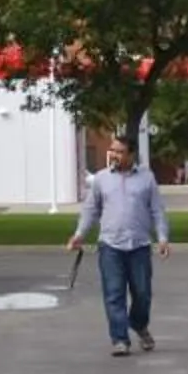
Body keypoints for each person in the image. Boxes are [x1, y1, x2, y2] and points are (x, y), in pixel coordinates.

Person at [69, 136, 170, 357]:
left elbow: (157, 210)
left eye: (119, 151)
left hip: (139, 245)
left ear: (131, 154)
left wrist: (162, 237)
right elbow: (90, 210)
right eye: (112, 151)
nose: (114, 155)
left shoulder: (147, 178)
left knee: (142, 294)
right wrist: (79, 235)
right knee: (114, 294)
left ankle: (139, 324)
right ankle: (120, 339)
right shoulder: (101, 179)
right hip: (110, 246)